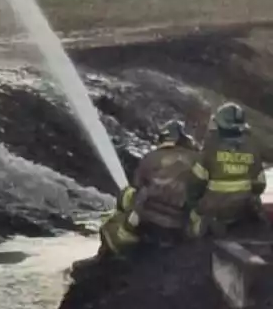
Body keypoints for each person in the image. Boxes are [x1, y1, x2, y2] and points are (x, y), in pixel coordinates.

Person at [97, 119, 198, 258]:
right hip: (180, 225)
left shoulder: (151, 158)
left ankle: (121, 240)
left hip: (146, 220)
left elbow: (137, 186)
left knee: (127, 194)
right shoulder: (198, 159)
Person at [187, 102, 268, 237]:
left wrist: (193, 203)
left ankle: (199, 232)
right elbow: (260, 185)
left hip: (212, 209)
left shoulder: (210, 146)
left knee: (191, 219)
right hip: (241, 208)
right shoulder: (252, 147)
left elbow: (196, 183)